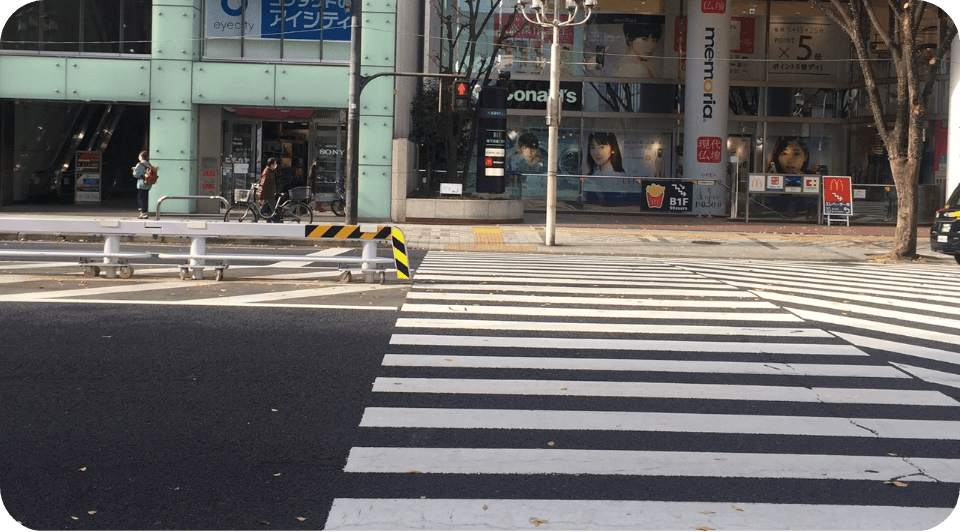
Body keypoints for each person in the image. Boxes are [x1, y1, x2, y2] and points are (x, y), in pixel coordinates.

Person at [131, 150, 151, 219]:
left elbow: (136, 175)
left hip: (142, 184)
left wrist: (134, 170)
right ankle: (145, 211)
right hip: (148, 184)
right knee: (145, 198)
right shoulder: (149, 164)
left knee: (141, 198)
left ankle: (143, 212)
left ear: (141, 157)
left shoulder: (140, 165)